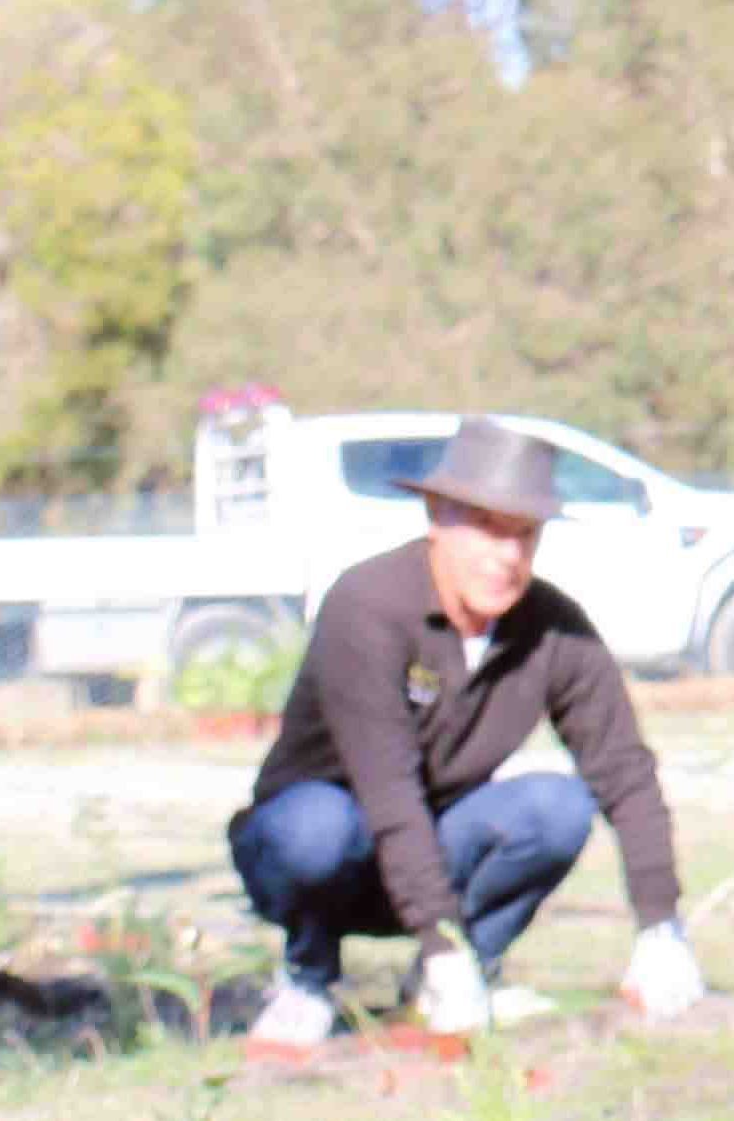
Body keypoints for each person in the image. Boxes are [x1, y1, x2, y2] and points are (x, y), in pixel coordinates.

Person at [229, 415, 707, 1049]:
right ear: (436, 518)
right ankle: (308, 976)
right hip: (320, 848)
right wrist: (438, 939)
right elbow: (387, 790)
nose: (506, 556)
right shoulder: (367, 605)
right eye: (485, 528)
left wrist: (660, 927)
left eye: (524, 535)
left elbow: (624, 769)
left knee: (556, 807)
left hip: (433, 848)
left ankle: (451, 979)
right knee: (319, 826)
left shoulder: (554, 630)